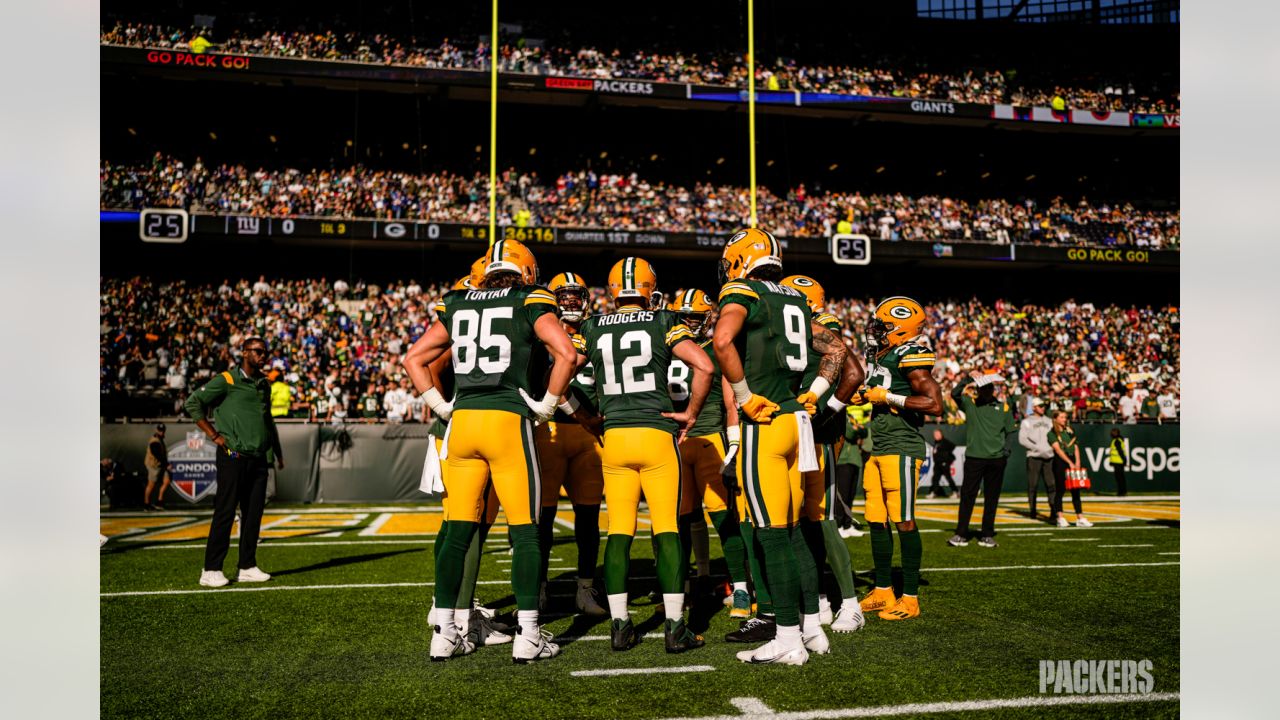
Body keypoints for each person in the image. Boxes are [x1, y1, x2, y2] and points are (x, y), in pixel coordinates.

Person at [403, 238, 575, 664]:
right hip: (506, 421)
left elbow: (414, 358)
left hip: (462, 425)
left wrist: (442, 406)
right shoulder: (530, 297)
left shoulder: (459, 301)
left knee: (458, 531)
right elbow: (566, 354)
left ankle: (445, 633)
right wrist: (548, 406)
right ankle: (529, 635)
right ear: (528, 272)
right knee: (526, 530)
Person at [714, 229, 862, 664]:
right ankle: (812, 626)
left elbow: (722, 341)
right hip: (800, 423)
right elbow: (836, 349)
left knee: (771, 533)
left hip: (765, 421)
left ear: (740, 260)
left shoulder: (743, 290)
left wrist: (742, 396)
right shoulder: (796, 298)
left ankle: (786, 637)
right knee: (797, 528)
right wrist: (815, 391)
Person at [576, 258, 713, 654]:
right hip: (655, 435)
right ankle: (675, 627)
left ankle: (620, 625)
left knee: (619, 531)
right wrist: (690, 414)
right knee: (667, 529)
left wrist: (585, 416)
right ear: (650, 288)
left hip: (615, 438)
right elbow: (703, 365)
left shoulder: (592, 326)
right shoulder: (663, 321)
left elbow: (565, 364)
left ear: (613, 288)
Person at [781, 274, 864, 635]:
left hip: (816, 432)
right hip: (793, 429)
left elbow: (853, 372)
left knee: (823, 519)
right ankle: (817, 600)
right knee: (799, 521)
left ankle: (850, 602)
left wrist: (826, 409)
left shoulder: (821, 326)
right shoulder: (789, 327)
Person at [664, 288, 751, 621]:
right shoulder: (672, 347)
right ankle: (683, 590)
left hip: (707, 439)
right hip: (679, 443)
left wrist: (733, 444)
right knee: (682, 521)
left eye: (695, 318)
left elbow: (731, 402)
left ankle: (740, 586)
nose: (689, 323)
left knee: (722, 518)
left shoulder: (698, 349)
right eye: (685, 317)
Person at [856, 296, 942, 621]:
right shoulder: (882, 355)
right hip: (879, 446)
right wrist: (863, 395)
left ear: (902, 329)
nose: (876, 331)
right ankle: (882, 590)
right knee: (876, 518)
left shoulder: (911, 353)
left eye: (883, 326)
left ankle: (909, 598)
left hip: (903, 446)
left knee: (903, 519)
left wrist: (888, 396)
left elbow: (934, 404)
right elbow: (878, 392)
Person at [533, 271, 608, 618]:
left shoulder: (595, 331)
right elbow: (552, 384)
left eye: (576, 296)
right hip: (550, 431)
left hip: (587, 437)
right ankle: (539, 587)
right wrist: (583, 416)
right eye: (563, 296)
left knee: (589, 517)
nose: (571, 302)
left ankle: (585, 588)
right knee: (543, 518)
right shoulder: (540, 330)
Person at [184, 337, 284, 588]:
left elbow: (267, 419)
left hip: (259, 457)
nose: (263, 356)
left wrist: (277, 450)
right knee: (226, 511)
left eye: (265, 352)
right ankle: (211, 569)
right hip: (233, 455)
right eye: (258, 351)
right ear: (245, 353)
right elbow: (193, 403)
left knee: (253, 515)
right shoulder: (227, 380)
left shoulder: (264, 384)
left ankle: (247, 566)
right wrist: (214, 435)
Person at [948, 372, 1019, 548]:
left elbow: (1011, 431)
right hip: (974, 458)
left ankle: (987, 534)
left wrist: (1006, 451)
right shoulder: (970, 403)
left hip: (996, 459)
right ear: (978, 389)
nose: (986, 391)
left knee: (992, 498)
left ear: (993, 390)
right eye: (983, 388)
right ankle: (961, 533)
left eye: (989, 388)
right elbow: (954, 393)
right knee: (967, 496)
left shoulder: (1003, 407)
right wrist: (969, 378)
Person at [1049, 410, 1092, 527]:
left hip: (1072, 461)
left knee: (1076, 490)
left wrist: (1077, 462)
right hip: (1060, 462)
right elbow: (1058, 450)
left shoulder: (1070, 430)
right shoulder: (1051, 433)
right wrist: (1069, 462)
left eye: (1065, 417)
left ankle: (1080, 518)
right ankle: (1060, 517)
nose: (1064, 419)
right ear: (1055, 419)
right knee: (1060, 490)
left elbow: (1076, 446)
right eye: (1062, 417)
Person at [1018, 397, 1057, 522]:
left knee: (1051, 485)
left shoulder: (1049, 421)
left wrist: (1050, 448)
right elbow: (1022, 439)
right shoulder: (1026, 422)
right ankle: (1033, 511)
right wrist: (1036, 448)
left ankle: (1053, 510)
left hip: (1049, 457)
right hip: (1034, 457)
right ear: (1034, 407)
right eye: (1040, 406)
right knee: (1033, 485)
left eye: (1044, 406)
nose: (1043, 408)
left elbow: (1055, 436)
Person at [834, 410, 867, 538]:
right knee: (842, 495)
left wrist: (858, 429)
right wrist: (857, 429)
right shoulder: (840, 415)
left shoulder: (851, 417)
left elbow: (864, 432)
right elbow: (851, 433)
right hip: (844, 460)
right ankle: (838, 525)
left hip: (854, 460)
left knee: (850, 495)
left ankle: (847, 525)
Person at [142, 423, 172, 511]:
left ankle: (159, 501)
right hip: (153, 465)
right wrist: (166, 464)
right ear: (157, 430)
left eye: (162, 430)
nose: (161, 432)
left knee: (167, 481)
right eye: (160, 430)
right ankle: (146, 504)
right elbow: (157, 454)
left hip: (161, 465)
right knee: (151, 485)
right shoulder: (154, 441)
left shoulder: (160, 439)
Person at [927, 429, 956, 499]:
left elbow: (952, 446)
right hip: (937, 464)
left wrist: (946, 458)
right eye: (935, 434)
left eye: (937, 434)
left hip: (944, 464)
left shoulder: (945, 442)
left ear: (941, 434)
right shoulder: (936, 443)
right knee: (935, 479)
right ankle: (934, 492)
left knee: (948, 478)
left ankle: (955, 492)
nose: (936, 436)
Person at [1108, 427, 1129, 496]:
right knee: (1121, 478)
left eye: (1112, 433)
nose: (1111, 434)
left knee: (1119, 478)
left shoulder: (1117, 441)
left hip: (1118, 462)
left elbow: (1120, 452)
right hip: (1118, 462)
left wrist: (1124, 460)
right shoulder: (1118, 440)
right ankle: (1123, 491)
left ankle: (1121, 492)